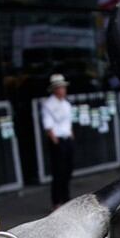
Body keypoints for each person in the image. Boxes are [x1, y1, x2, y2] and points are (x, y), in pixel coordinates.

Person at [41, 74, 75, 208]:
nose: (62, 90)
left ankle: (66, 197)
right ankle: (56, 201)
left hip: (67, 138)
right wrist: (54, 140)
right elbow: (48, 125)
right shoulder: (49, 105)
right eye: (60, 88)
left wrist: (71, 135)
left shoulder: (66, 104)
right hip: (58, 140)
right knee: (58, 171)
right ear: (55, 90)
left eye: (63, 88)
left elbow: (68, 122)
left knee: (68, 169)